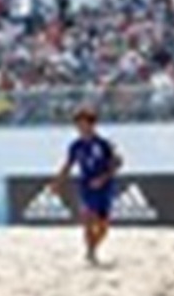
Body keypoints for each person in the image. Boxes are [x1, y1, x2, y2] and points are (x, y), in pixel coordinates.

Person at [51, 107, 123, 265]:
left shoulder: (104, 144)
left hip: (104, 186)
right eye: (78, 124)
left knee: (103, 225)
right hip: (86, 185)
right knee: (88, 219)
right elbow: (68, 165)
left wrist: (103, 178)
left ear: (92, 125)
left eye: (84, 124)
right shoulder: (75, 146)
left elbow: (116, 163)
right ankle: (90, 252)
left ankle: (93, 246)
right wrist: (57, 183)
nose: (81, 128)